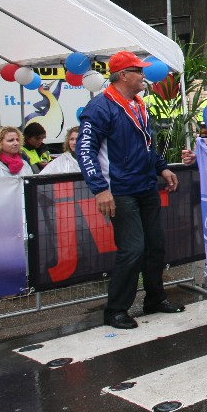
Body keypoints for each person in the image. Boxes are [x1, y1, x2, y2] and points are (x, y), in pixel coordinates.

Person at [77, 51, 182, 330]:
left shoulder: (138, 104)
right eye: (139, 71)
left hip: (146, 185)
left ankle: (155, 299)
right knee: (132, 249)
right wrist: (100, 189)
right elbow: (85, 151)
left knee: (156, 246)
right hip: (120, 190)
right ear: (123, 75)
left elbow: (146, 144)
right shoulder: (100, 107)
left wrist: (161, 167)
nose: (144, 76)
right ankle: (116, 310)